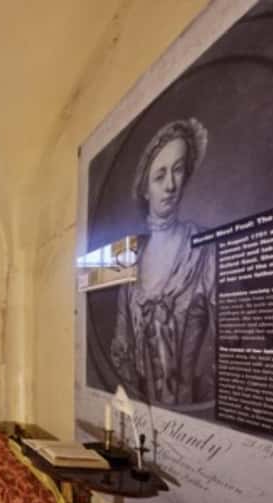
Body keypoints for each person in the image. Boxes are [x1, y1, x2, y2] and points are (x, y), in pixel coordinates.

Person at [110, 118, 216, 407]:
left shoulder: (205, 248)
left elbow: (231, 345)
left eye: (178, 170)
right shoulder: (130, 258)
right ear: (145, 189)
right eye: (159, 176)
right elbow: (121, 348)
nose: (171, 185)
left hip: (192, 416)